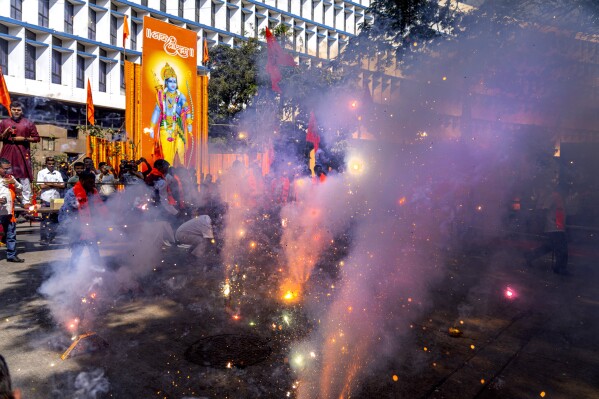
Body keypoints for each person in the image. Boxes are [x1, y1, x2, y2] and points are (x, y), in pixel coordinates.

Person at [145, 63, 193, 166]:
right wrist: (152, 128)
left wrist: (189, 124)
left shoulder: (180, 96)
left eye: (174, 82)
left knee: (181, 152)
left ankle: (182, 174)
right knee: (168, 157)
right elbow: (156, 112)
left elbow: (187, 110)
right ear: (166, 82)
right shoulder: (161, 97)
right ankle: (168, 174)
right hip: (165, 127)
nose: (172, 84)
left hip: (178, 127)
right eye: (170, 81)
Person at [58, 171, 105, 268]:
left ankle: (97, 271)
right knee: (77, 252)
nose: (93, 185)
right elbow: (68, 213)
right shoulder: (71, 193)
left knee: (94, 251)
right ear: (82, 181)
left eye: (93, 182)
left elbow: (98, 208)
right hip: (77, 227)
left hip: (89, 227)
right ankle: (72, 274)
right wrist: (73, 229)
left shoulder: (93, 191)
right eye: (90, 182)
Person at [0, 101, 41, 208]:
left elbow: (37, 138)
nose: (16, 112)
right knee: (5, 174)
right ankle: (5, 198)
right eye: (14, 109)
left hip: (22, 153)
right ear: (10, 110)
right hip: (7, 152)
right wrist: (5, 133)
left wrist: (23, 138)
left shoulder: (28, 123)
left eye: (18, 110)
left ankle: (25, 201)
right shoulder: (4, 122)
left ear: (22, 111)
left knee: (24, 176)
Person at [526, 180, 569, 275]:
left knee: (549, 247)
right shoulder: (553, 197)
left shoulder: (559, 198)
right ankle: (560, 268)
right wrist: (540, 225)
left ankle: (529, 256)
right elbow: (543, 211)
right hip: (554, 227)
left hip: (557, 227)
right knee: (562, 248)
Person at [37, 157, 65, 246]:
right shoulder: (41, 173)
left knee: (55, 220)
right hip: (45, 198)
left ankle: (52, 238)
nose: (51, 165)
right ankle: (43, 239)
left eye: (53, 164)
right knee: (45, 219)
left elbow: (63, 185)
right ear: (46, 164)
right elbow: (42, 186)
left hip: (56, 199)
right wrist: (56, 185)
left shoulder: (57, 173)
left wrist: (50, 184)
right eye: (49, 164)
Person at [0, 158, 24, 263]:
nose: (7, 171)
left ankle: (11, 255)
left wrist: (15, 182)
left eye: (9, 168)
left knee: (11, 235)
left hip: (9, 212)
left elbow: (20, 189)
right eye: (5, 169)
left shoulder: (10, 178)